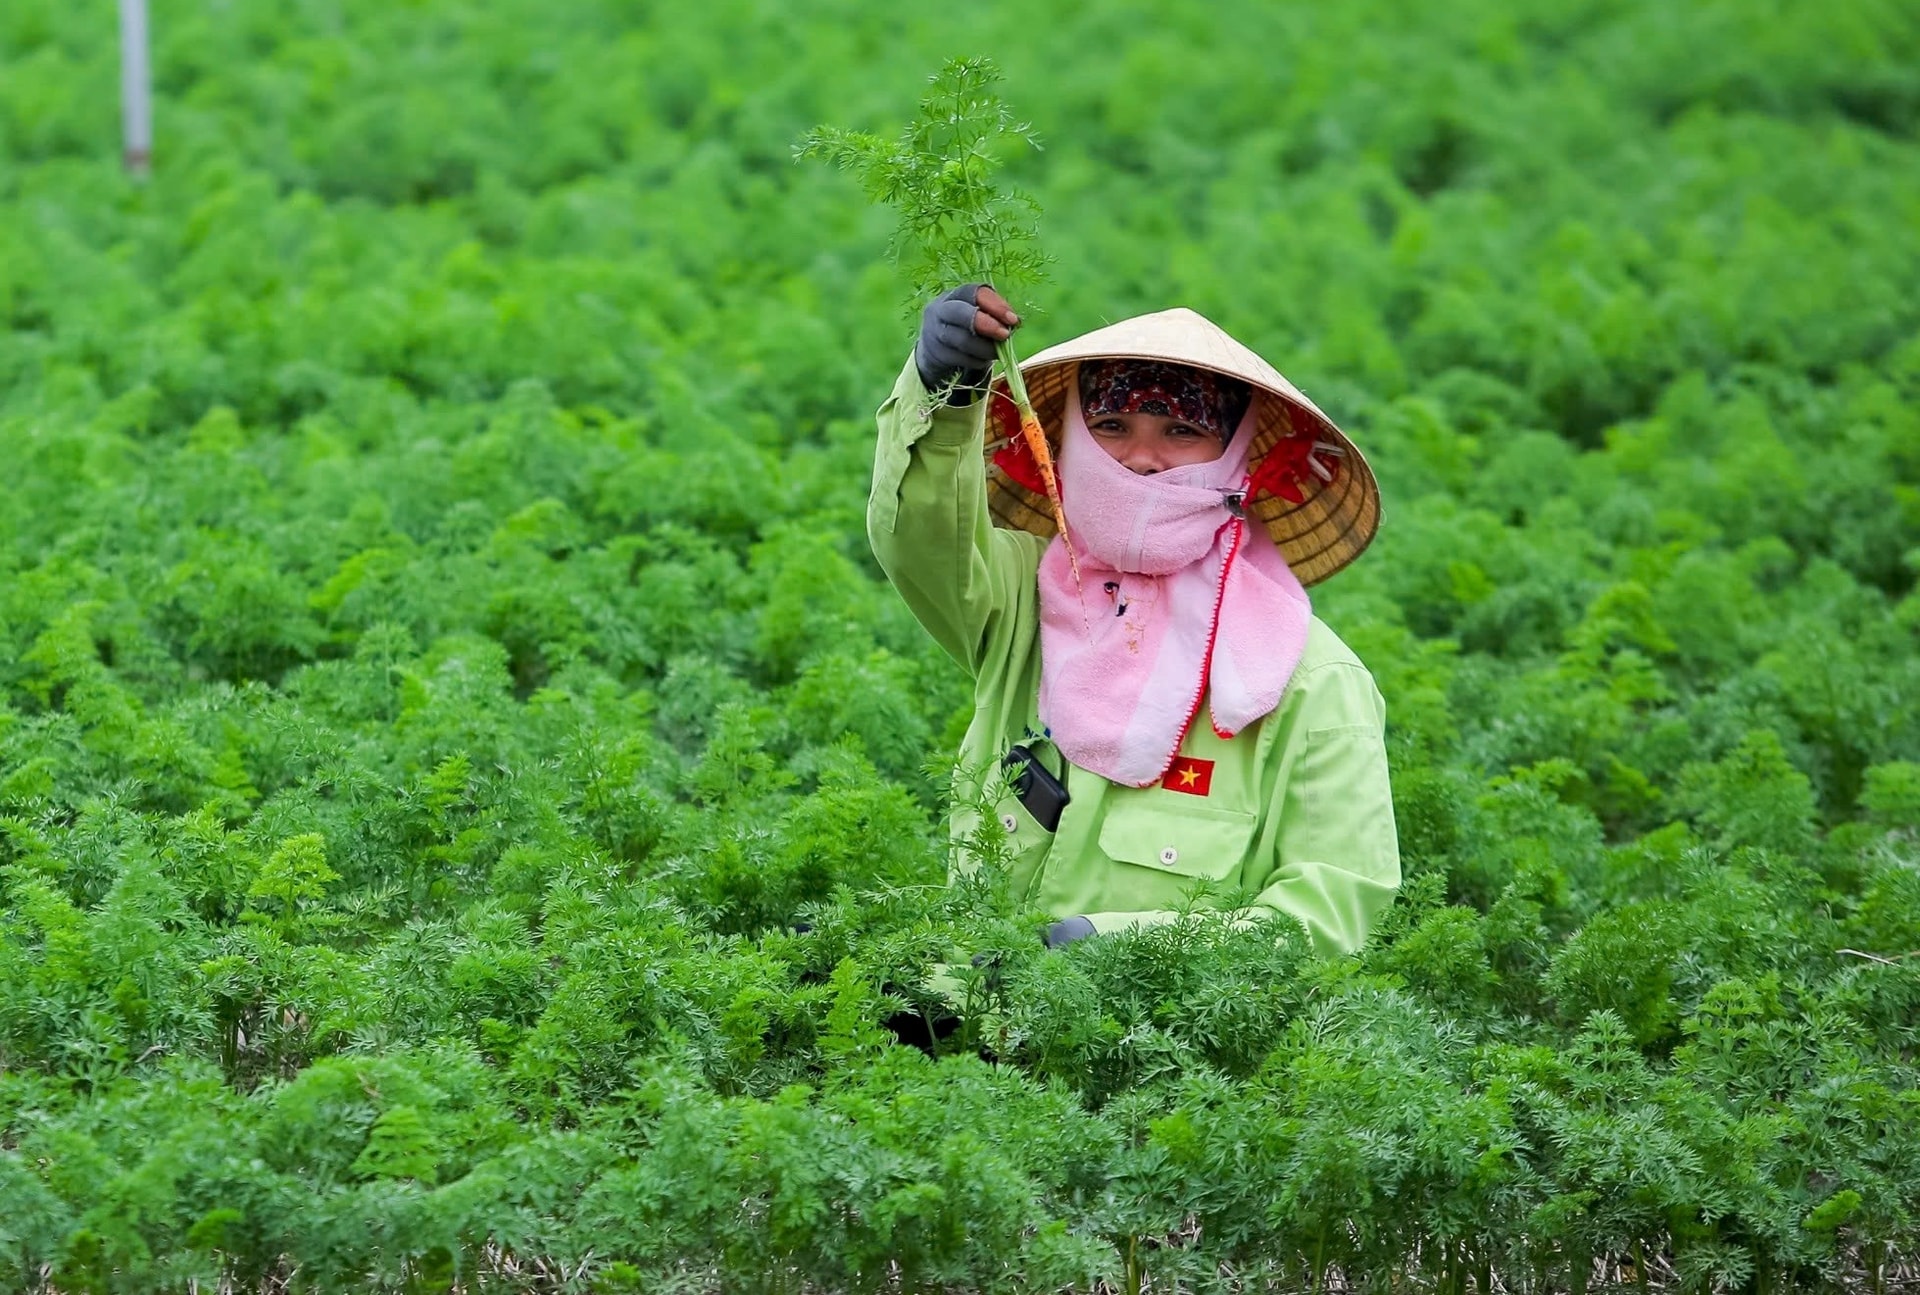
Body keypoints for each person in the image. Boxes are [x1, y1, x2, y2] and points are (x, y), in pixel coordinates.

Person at [870, 284, 1400, 958]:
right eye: (1112, 425)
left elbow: (1334, 909)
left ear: (1235, 453)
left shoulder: (1311, 682)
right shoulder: (1021, 601)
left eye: (1182, 430)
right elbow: (921, 537)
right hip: (968, 1028)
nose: (1141, 457)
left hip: (1161, 1054)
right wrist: (943, 392)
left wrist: (1114, 953)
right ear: (1070, 436)